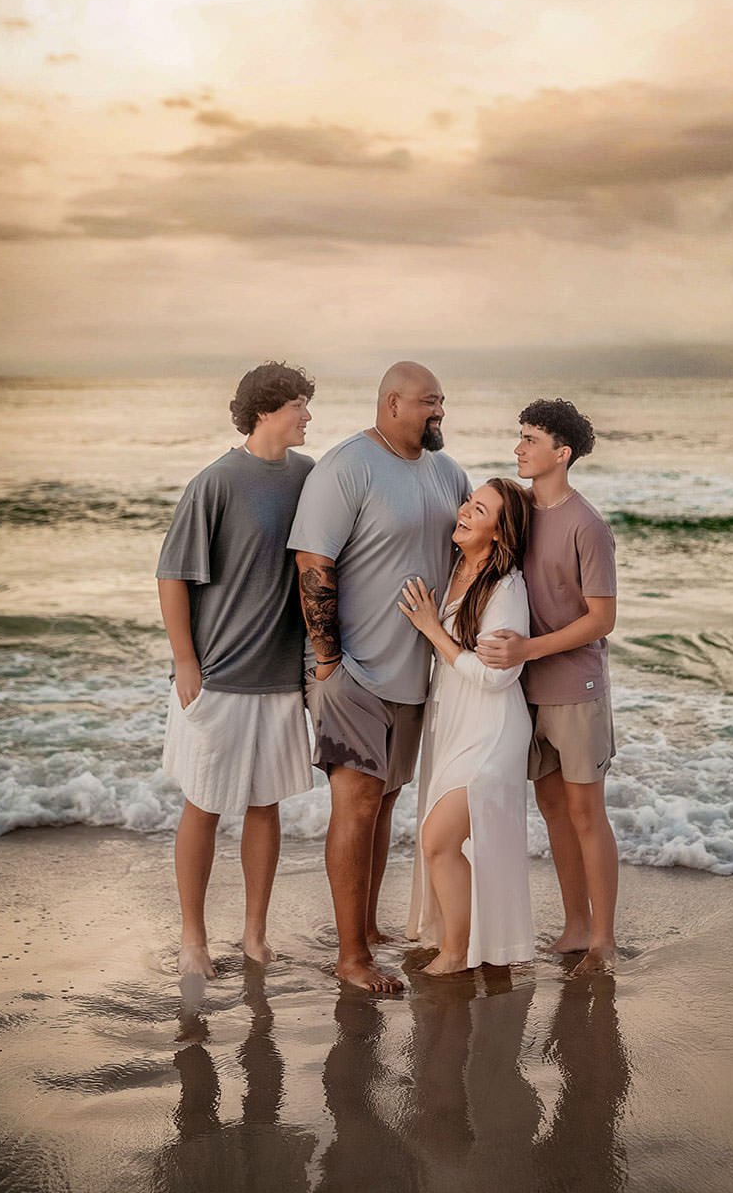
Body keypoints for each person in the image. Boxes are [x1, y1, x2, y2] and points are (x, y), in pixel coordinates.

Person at [288, 361, 469, 994]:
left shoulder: (450, 473)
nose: (438, 412)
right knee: (356, 803)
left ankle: (364, 928)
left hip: (416, 676)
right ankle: (350, 957)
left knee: (386, 802)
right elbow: (314, 561)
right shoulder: (347, 466)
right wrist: (330, 661)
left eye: (442, 401)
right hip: (354, 671)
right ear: (392, 403)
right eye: (428, 402)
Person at [157, 362, 316, 979]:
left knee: (265, 805)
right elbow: (173, 573)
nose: (308, 415)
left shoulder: (310, 476)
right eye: (300, 404)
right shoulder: (216, 482)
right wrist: (185, 660)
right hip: (218, 675)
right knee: (204, 804)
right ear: (267, 410)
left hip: (280, 677)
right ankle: (192, 937)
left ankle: (254, 933)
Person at [478, 399, 619, 976]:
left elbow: (601, 618)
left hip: (577, 689)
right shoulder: (520, 514)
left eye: (530, 439)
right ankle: (574, 925)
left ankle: (603, 938)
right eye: (520, 437)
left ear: (561, 454)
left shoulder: (587, 525)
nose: (519, 448)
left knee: (586, 813)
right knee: (553, 811)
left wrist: (527, 650)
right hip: (526, 691)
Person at [399, 477, 535, 975]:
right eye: (468, 502)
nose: (464, 512)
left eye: (479, 510)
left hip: (493, 731)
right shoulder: (455, 565)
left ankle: (458, 954)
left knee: (438, 839)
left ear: (499, 533)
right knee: (441, 841)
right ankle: (462, 942)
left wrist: (433, 630)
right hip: (456, 724)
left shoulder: (506, 587)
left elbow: (498, 676)